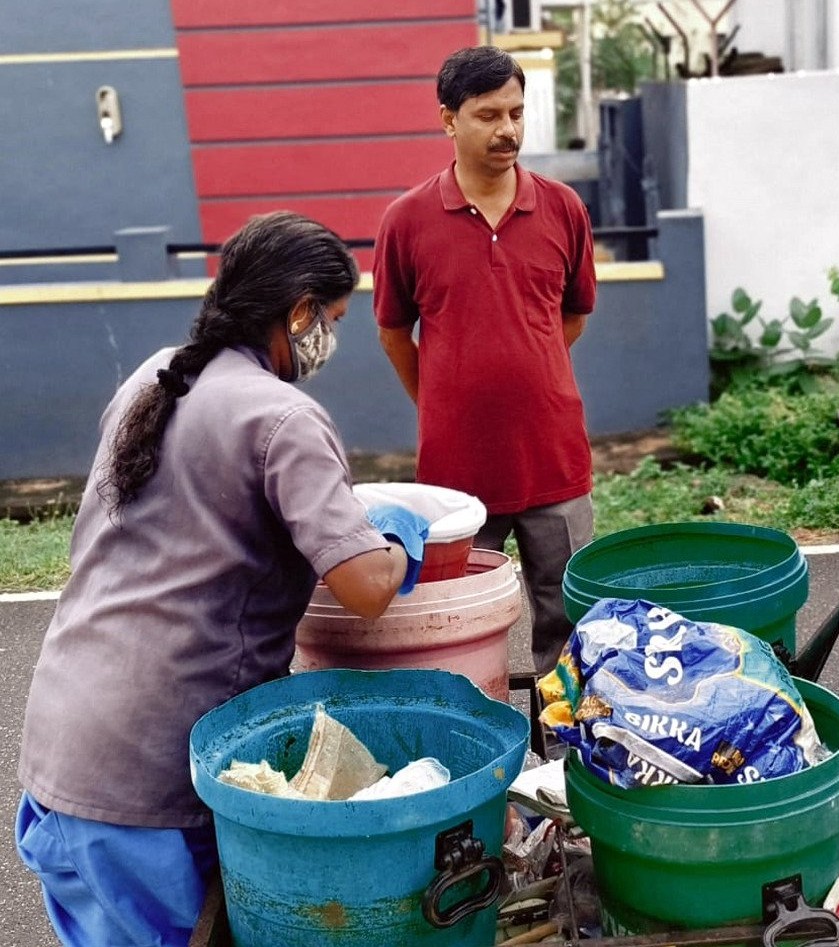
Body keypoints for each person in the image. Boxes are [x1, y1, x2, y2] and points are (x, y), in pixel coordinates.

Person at [14, 211, 431, 946]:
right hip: (152, 774)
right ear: (298, 312)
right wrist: (399, 538)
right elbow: (366, 588)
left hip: (62, 745)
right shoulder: (282, 417)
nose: (329, 340)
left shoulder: (156, 374)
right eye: (331, 320)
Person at [375, 45, 597, 676]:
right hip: (455, 472)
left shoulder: (563, 209)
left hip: (553, 456)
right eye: (488, 115)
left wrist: (530, 368)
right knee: (456, 624)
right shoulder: (407, 220)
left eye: (517, 113)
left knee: (571, 621)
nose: (509, 130)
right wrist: (444, 400)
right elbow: (393, 331)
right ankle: (474, 757)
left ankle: (567, 756)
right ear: (449, 120)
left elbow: (572, 316)